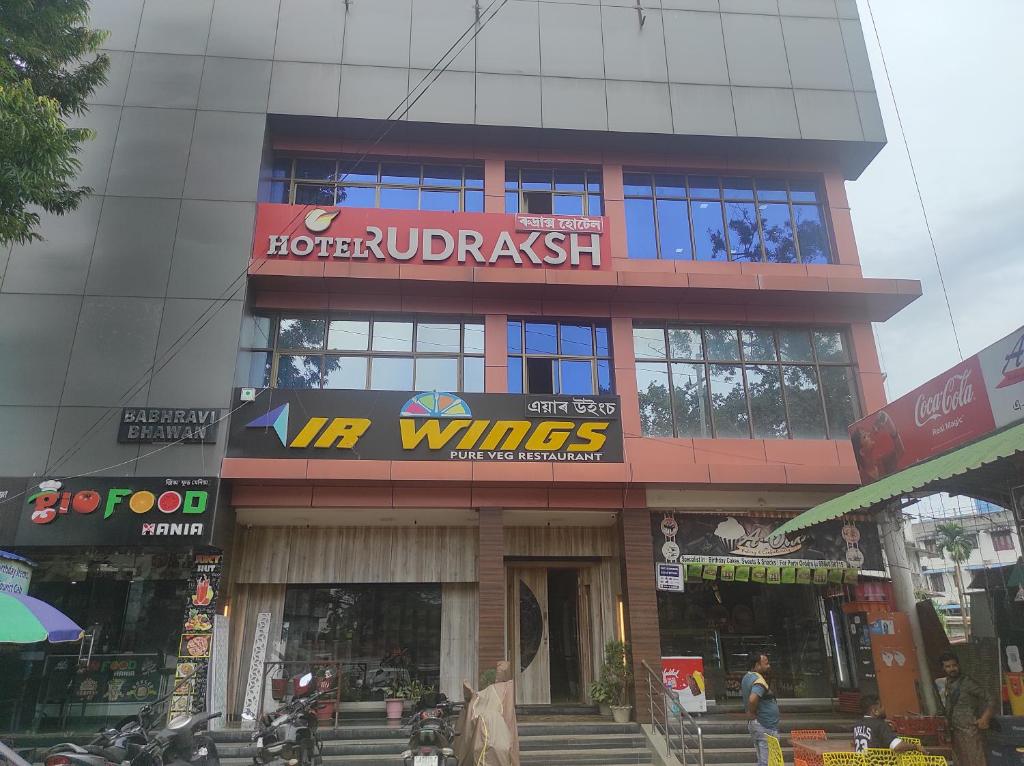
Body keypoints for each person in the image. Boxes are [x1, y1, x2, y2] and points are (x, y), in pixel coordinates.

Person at [937, 650, 995, 766]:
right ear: (943, 668)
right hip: (955, 732)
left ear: (958, 665)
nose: (952, 669)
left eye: (954, 665)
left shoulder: (968, 682)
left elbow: (991, 699)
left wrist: (985, 718)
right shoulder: (947, 683)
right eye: (948, 666)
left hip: (970, 731)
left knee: (976, 761)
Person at [742, 652, 779, 766]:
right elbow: (753, 699)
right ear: (757, 665)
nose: (769, 666)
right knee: (767, 762)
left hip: (757, 724)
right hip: (764, 724)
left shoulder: (747, 677)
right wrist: (753, 712)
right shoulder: (759, 680)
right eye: (766, 663)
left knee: (762, 760)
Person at [853, 695, 924, 752]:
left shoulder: (858, 724)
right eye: (881, 706)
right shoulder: (880, 724)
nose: (884, 708)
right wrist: (915, 746)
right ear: (875, 711)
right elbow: (897, 746)